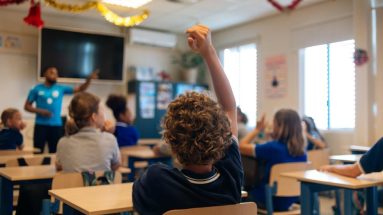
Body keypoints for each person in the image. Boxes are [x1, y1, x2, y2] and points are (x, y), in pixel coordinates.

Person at [133, 24, 243, 215]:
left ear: (171, 142)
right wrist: (209, 53)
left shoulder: (156, 180)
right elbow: (229, 108)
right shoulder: (231, 179)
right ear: (222, 138)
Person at [239, 109, 307, 211]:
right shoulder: (303, 153)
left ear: (280, 127)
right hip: (289, 201)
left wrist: (257, 129)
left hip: (268, 199)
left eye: (274, 123)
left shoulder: (273, 148)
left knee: (241, 195)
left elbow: (240, 146)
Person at [24, 67, 98, 153]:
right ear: (45, 74)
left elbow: (80, 89)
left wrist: (89, 80)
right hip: (40, 125)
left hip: (56, 125)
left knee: (55, 152)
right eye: (51, 72)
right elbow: (27, 106)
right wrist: (41, 111)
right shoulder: (36, 89)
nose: (54, 75)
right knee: (37, 151)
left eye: (56, 73)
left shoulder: (61, 88)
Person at [55, 92, 121, 172]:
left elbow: (59, 166)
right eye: (102, 111)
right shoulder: (110, 139)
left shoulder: (62, 143)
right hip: (103, 184)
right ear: (94, 117)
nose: (104, 115)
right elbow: (115, 165)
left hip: (72, 184)